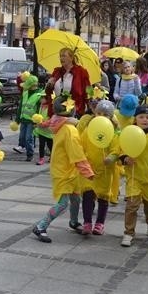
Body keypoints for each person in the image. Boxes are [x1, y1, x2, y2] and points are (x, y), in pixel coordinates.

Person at [32, 96, 94, 243]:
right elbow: (76, 153)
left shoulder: (58, 122)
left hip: (66, 168)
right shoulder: (69, 130)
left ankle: (73, 222)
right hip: (64, 171)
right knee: (63, 203)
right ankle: (41, 226)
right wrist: (87, 171)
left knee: (76, 198)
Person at [119, 104, 148, 247]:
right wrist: (125, 158)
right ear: (135, 119)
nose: (145, 120)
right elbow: (121, 149)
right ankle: (128, 233)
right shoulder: (128, 133)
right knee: (131, 206)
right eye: (141, 117)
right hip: (134, 177)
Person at [79, 100, 118, 235]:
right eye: (99, 113)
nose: (101, 116)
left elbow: (116, 149)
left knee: (103, 198)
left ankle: (100, 223)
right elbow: (81, 145)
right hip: (89, 169)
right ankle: (87, 222)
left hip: (105, 171)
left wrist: (111, 158)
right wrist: (82, 159)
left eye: (105, 114)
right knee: (88, 196)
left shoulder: (112, 132)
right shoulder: (88, 129)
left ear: (111, 116)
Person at [46, 48, 92, 116]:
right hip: (56, 112)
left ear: (71, 58)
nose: (61, 58)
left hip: (74, 112)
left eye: (64, 56)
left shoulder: (82, 72)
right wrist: (49, 85)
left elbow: (89, 90)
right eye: (60, 56)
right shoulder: (57, 72)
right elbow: (48, 93)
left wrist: (91, 106)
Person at [13, 75, 42, 162]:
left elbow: (39, 109)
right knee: (22, 136)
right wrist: (18, 118)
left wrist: (36, 121)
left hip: (31, 121)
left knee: (28, 137)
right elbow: (21, 106)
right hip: (23, 119)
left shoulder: (39, 95)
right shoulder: (25, 93)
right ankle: (22, 147)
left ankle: (30, 154)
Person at [33, 93, 53, 166]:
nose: (41, 99)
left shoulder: (51, 107)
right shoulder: (41, 106)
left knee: (50, 145)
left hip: (49, 131)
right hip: (41, 130)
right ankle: (41, 158)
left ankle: (52, 157)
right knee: (41, 145)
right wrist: (36, 123)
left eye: (42, 98)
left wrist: (45, 124)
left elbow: (51, 119)